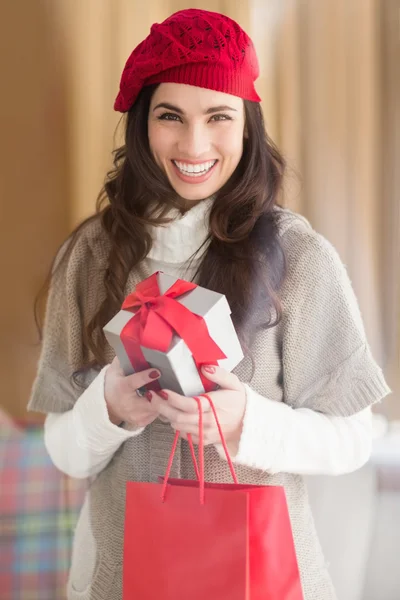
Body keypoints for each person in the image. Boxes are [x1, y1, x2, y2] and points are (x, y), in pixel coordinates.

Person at [28, 8, 391, 600]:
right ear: (144, 124)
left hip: (262, 580)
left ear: (246, 125)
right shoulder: (94, 256)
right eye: (171, 116)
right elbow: (65, 451)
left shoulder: (297, 257)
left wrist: (247, 421)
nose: (194, 144)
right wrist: (110, 411)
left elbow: (352, 440)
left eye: (217, 117)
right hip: (115, 580)